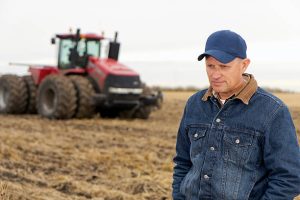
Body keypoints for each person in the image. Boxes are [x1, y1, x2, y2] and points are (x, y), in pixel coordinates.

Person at [172, 30, 300, 200]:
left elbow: (289, 177)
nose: (215, 74)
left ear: (244, 65)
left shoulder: (272, 111)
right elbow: (183, 162)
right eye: (210, 66)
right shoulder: (195, 104)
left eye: (224, 66)